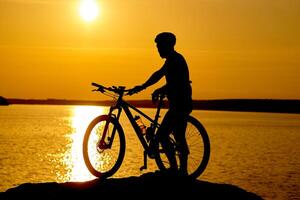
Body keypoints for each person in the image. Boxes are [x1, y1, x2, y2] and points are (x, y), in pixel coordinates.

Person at [129, 32, 193, 175]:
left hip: (180, 105)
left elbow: (177, 83)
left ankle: (176, 170)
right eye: (157, 46)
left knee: (164, 136)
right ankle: (180, 171)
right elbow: (158, 74)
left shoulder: (176, 60)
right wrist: (142, 86)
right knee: (178, 136)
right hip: (178, 104)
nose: (158, 49)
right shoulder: (171, 60)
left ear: (168, 45)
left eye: (160, 46)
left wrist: (159, 89)